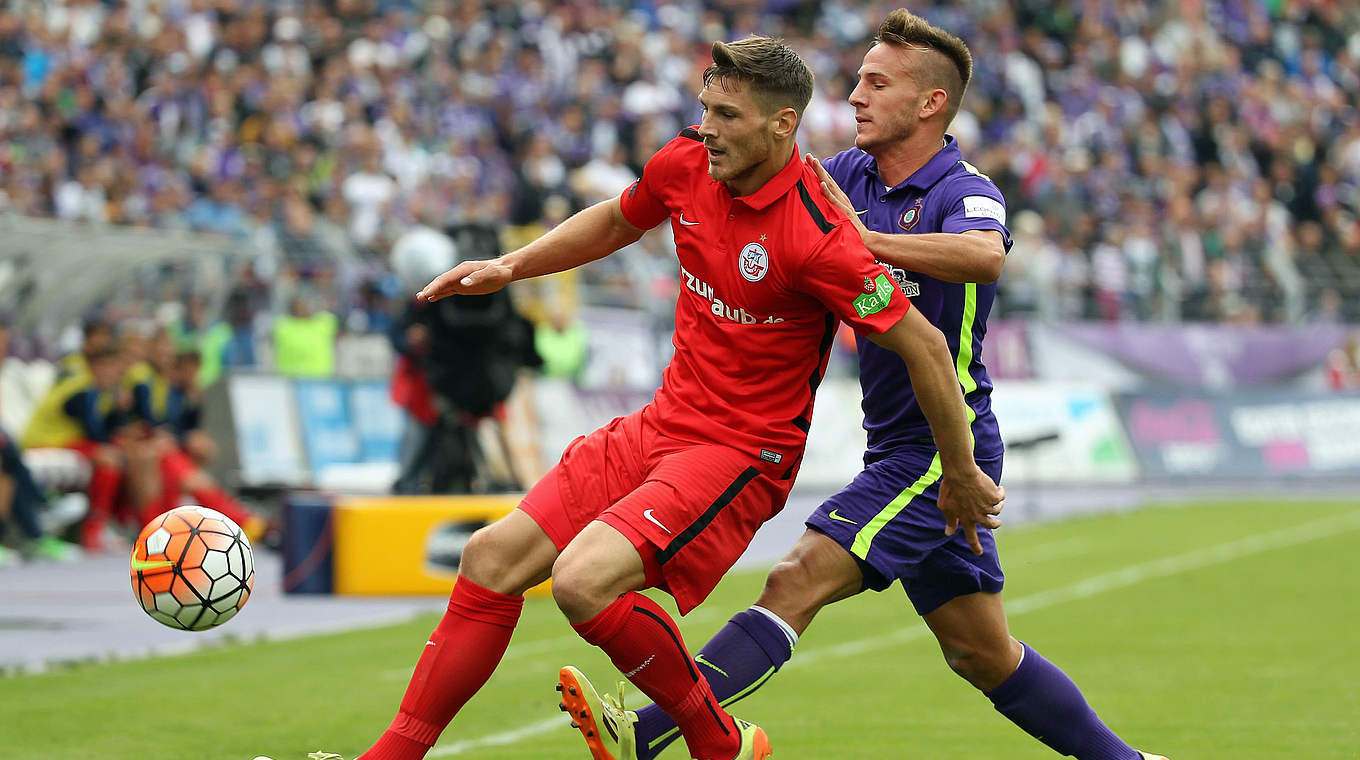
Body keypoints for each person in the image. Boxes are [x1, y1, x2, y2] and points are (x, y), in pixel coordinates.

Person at [262, 35, 1002, 760]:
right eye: (706, 106)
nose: (709, 128)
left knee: (583, 582)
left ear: (783, 125)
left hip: (741, 452)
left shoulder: (818, 234)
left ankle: (711, 741)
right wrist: (511, 266)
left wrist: (961, 471)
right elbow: (621, 217)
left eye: (729, 115)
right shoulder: (688, 161)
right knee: (490, 558)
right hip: (662, 424)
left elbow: (927, 346)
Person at [565, 11, 1169, 760]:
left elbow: (985, 257)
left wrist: (865, 239)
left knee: (795, 579)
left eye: (876, 83)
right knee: (982, 653)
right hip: (897, 446)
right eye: (856, 80)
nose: (854, 96)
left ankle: (646, 736)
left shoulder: (963, 188)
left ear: (930, 105)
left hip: (944, 449)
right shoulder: (841, 175)